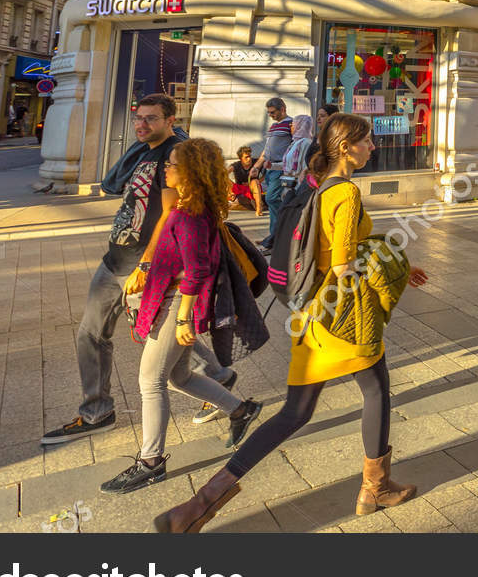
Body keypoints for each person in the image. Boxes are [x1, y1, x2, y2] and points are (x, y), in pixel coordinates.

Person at [154, 114, 431, 532]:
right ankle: (375, 488)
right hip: (341, 320)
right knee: (376, 390)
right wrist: (381, 275)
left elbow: (331, 245)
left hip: (310, 319)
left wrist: (396, 260)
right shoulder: (347, 192)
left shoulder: (313, 184)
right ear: (345, 148)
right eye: (366, 141)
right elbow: (341, 264)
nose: (373, 147)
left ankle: (198, 505)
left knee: (295, 412)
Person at [42, 94, 235, 445]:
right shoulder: (144, 149)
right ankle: (97, 410)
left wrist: (146, 263)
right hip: (115, 257)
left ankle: (215, 383)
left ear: (170, 120)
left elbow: (169, 215)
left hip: (141, 266)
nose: (141, 124)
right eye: (138, 118)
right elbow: (112, 183)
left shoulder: (176, 156)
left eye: (151, 119)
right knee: (93, 333)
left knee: (157, 341)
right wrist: (137, 145)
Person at [100, 138, 263, 495]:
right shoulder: (191, 207)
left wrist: (183, 319)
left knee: (150, 379)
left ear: (190, 170)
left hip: (176, 302)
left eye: (173, 164)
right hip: (172, 299)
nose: (167, 169)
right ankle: (240, 410)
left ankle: (151, 462)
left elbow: (196, 271)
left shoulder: (189, 214)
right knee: (178, 376)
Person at [251, 98, 294, 238]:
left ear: (282, 109)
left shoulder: (291, 124)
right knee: (273, 200)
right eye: (269, 113)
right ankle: (274, 234)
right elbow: (266, 150)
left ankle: (278, 233)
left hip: (280, 168)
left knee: (272, 198)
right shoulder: (274, 127)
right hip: (269, 168)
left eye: (273, 112)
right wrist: (256, 166)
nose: (270, 115)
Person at [280, 114, 316, 194]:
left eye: (293, 124)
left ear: (300, 126)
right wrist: (271, 165)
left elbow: (306, 165)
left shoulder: (306, 143)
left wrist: (301, 185)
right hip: (289, 183)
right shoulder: (294, 143)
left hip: (297, 186)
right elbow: (288, 163)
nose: (290, 126)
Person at [229, 146, 265, 214]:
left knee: (254, 181)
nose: (249, 159)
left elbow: (267, 174)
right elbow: (225, 172)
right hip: (239, 188)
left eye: (250, 156)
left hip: (253, 188)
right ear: (241, 158)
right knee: (224, 179)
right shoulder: (236, 165)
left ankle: (259, 207)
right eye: (246, 157)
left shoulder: (256, 163)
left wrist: (258, 181)